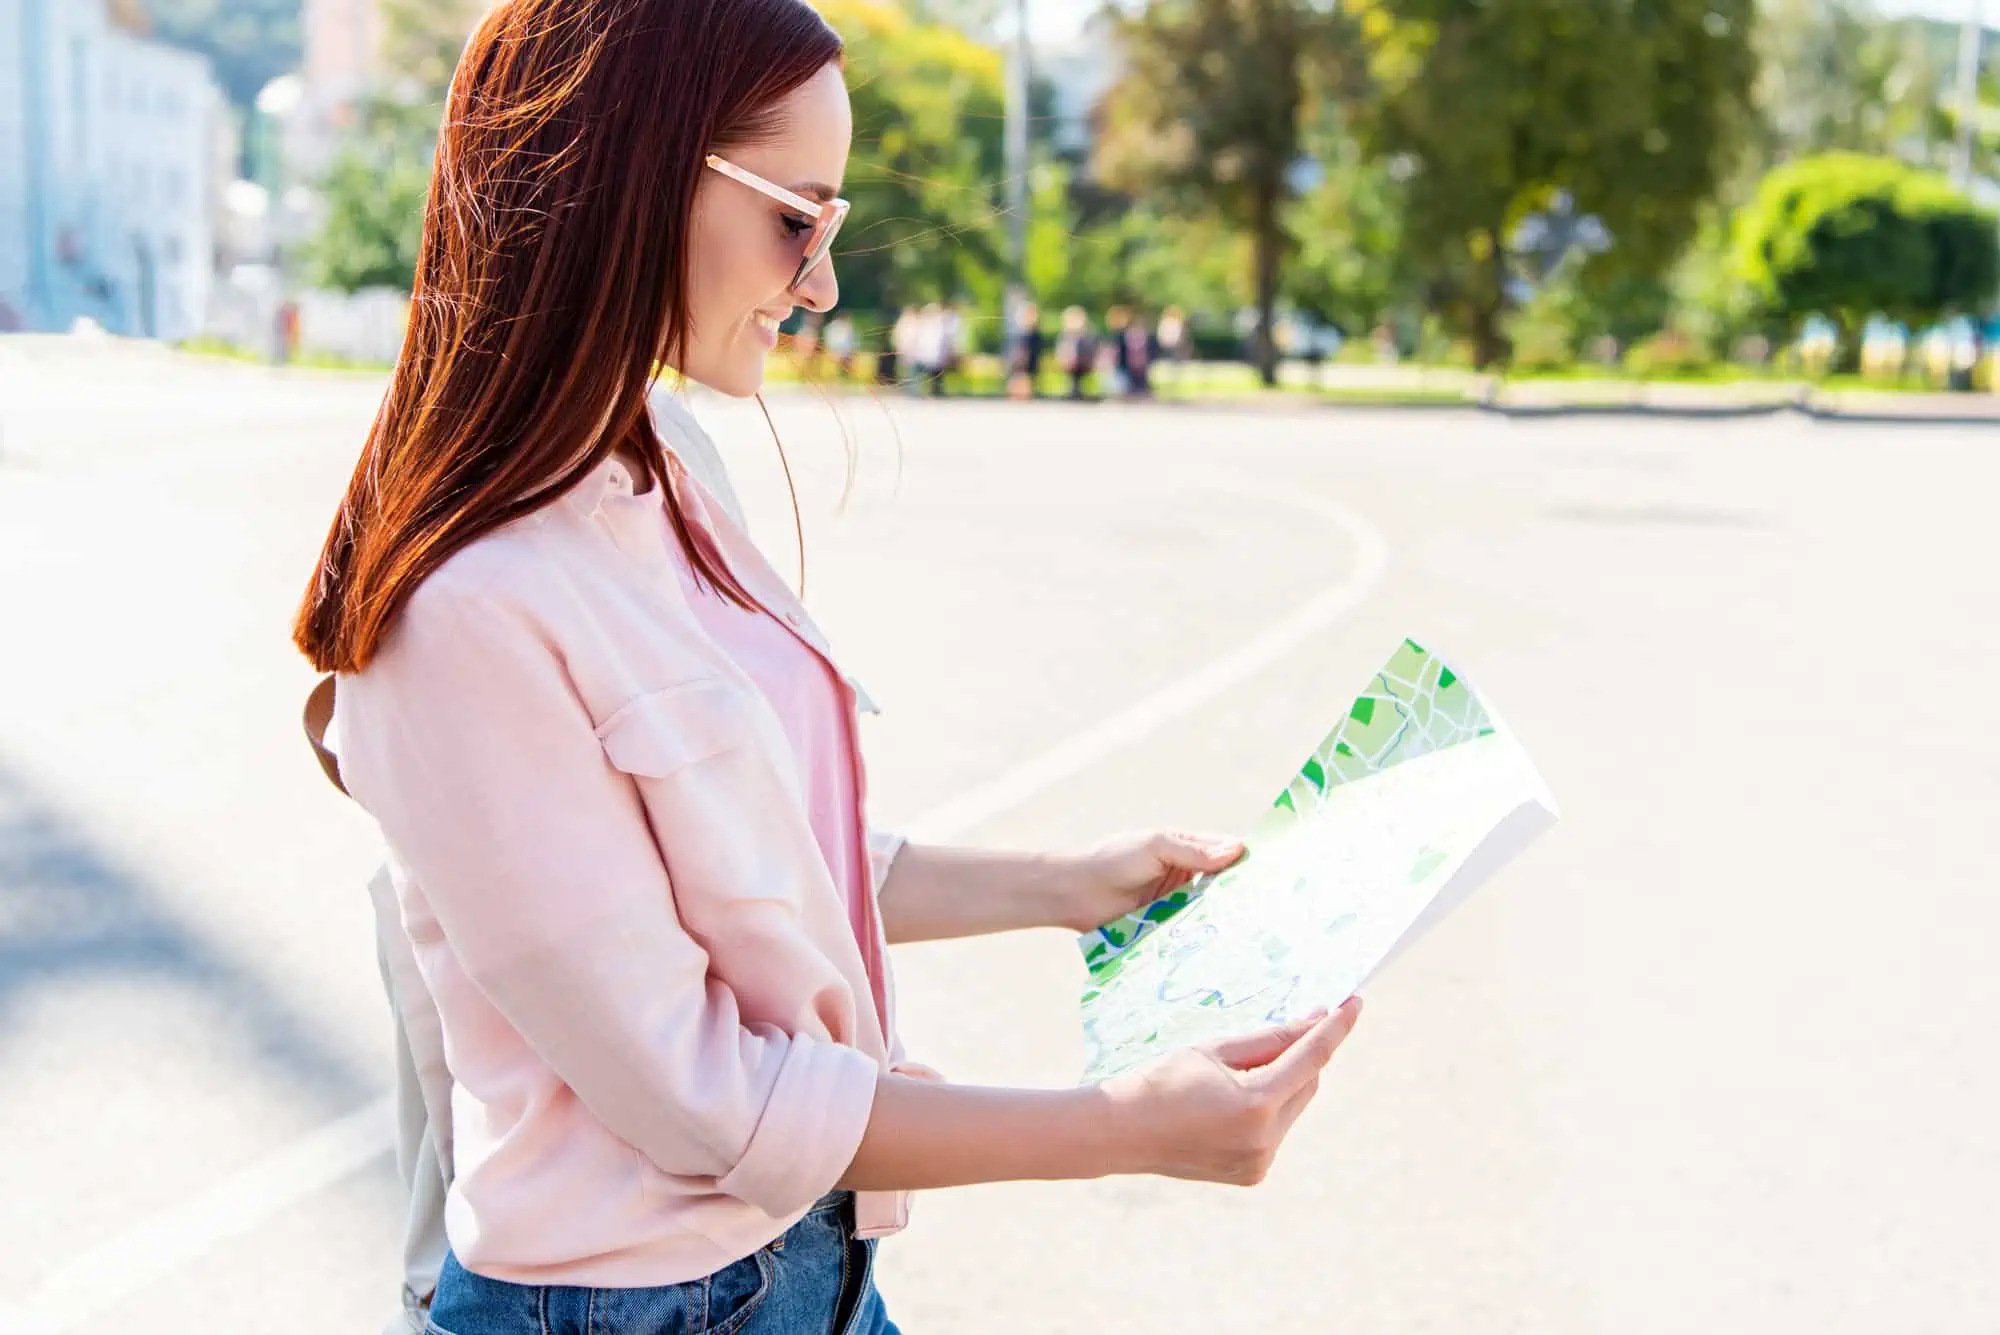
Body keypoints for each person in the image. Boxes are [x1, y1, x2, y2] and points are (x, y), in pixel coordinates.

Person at [292, 4, 1363, 1333]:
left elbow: (762, 859)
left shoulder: (662, 464)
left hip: (811, 1272)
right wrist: (1124, 1127)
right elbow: (710, 1100)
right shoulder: (457, 611)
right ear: (628, 174)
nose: (823, 286)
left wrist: (1072, 885)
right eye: (797, 220)